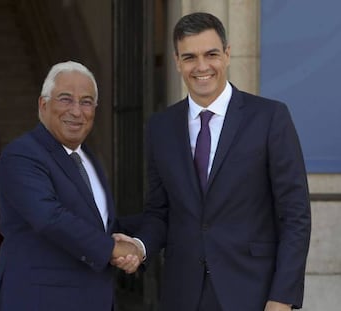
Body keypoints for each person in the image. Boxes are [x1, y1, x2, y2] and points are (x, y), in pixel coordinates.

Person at [114, 12, 311, 311]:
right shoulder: (161, 128)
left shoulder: (270, 118)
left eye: (211, 54)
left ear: (227, 54)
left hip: (253, 292)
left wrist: (282, 297)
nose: (202, 66)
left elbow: (295, 215)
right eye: (190, 57)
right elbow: (159, 211)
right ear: (177, 61)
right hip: (183, 294)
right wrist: (139, 248)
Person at [0, 61, 143, 311]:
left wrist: (139, 245)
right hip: (38, 301)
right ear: (43, 104)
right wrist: (112, 249)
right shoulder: (22, 155)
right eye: (66, 99)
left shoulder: (88, 158)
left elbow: (100, 225)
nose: (77, 111)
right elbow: (50, 218)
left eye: (86, 102)